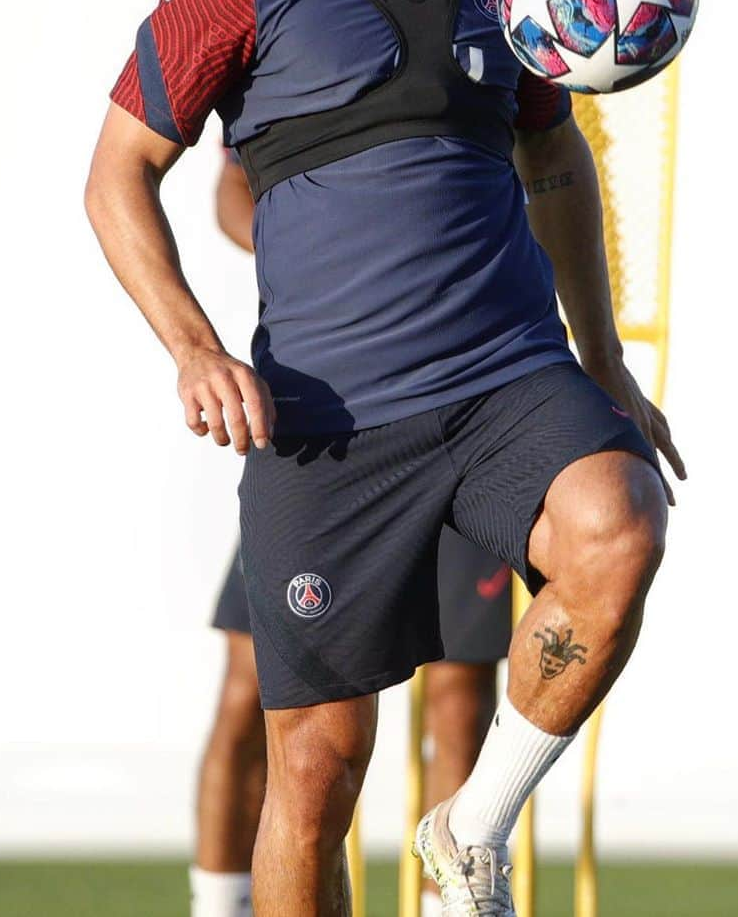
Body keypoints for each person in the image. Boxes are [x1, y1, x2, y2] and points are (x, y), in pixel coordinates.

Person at [85, 0, 684, 917]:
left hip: (504, 388)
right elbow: (117, 177)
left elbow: (554, 163)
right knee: (313, 768)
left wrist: (604, 361)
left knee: (620, 523)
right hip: (328, 427)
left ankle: (472, 827)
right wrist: (196, 347)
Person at [193, 153, 512, 917]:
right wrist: (329, 240)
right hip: (331, 422)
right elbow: (231, 188)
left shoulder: (502, 43)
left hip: (470, 403)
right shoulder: (288, 41)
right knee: (253, 689)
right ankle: (219, 905)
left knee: (461, 689)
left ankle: (454, 903)